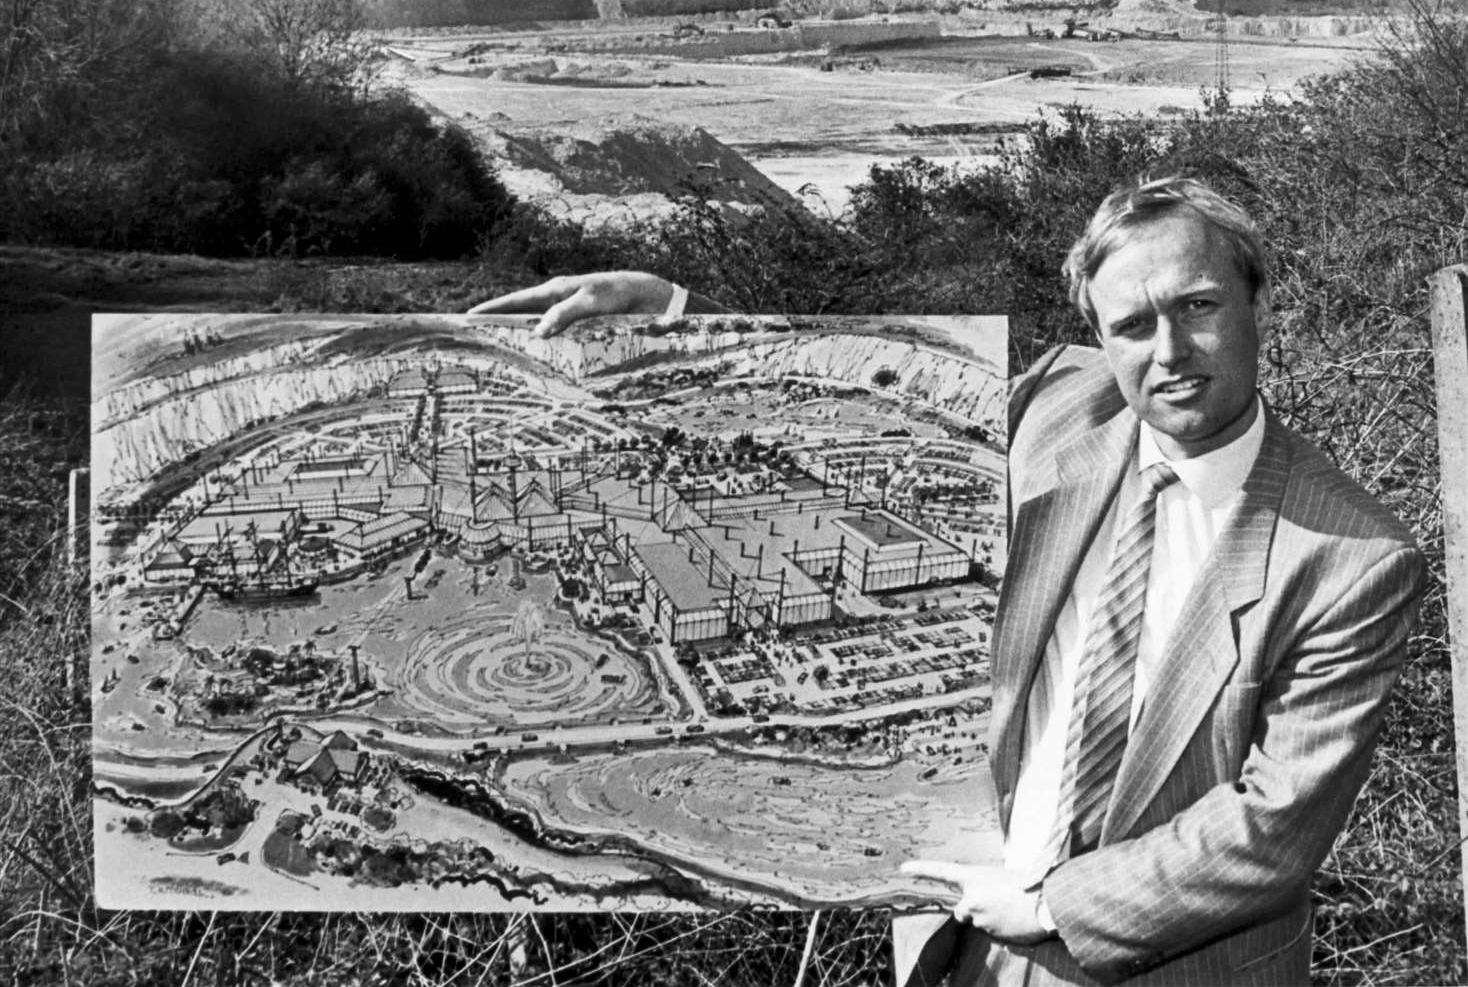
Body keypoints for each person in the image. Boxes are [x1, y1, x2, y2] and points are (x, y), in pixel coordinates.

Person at [471, 175, 1425, 986]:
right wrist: (676, 322)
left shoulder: (1349, 558)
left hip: (1166, 960)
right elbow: (862, 396)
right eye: (1132, 324)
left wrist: (1050, 904)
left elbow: (1271, 833)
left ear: (1260, 303)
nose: (1168, 352)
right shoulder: (1057, 406)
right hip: (954, 936)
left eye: (1199, 307)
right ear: (1099, 335)